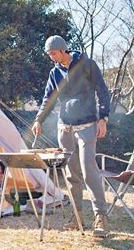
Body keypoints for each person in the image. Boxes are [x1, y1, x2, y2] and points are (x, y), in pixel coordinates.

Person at [31, 35, 110, 237]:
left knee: (88, 169)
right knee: (70, 174)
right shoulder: (54, 72)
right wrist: (39, 119)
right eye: (49, 54)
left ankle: (100, 217)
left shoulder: (87, 65)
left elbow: (102, 91)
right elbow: (48, 98)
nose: (51, 57)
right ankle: (77, 217)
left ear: (63, 50)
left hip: (87, 125)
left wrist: (103, 119)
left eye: (53, 53)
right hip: (64, 127)